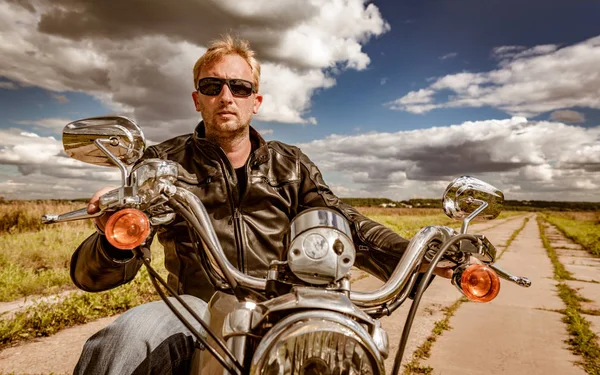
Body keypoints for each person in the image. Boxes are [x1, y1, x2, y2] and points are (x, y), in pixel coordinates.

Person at [71, 35, 440, 375]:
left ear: (256, 101)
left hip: (282, 307)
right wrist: (114, 236)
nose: (226, 96)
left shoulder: (291, 165)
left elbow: (344, 222)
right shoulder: (164, 163)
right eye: (212, 86)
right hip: (195, 309)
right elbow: (93, 275)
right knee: (128, 336)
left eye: (240, 87)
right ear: (197, 99)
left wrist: (428, 255)